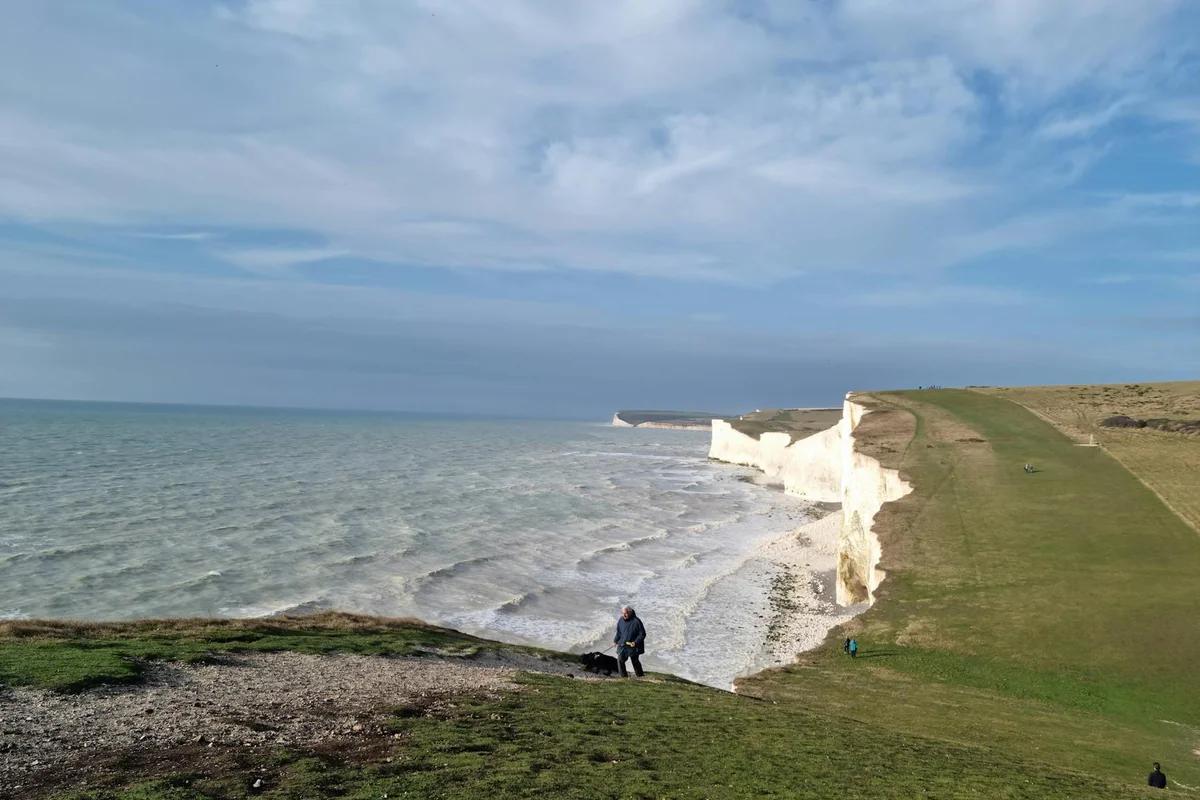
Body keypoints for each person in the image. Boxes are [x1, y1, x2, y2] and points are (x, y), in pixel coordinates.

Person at [614, 605, 646, 678]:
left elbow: (642, 634)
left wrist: (635, 642)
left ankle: (640, 676)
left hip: (633, 646)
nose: (624, 615)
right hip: (623, 644)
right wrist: (615, 640)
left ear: (630, 612)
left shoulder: (637, 621)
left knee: (635, 661)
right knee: (620, 660)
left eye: (626, 613)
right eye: (623, 613)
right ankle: (624, 677)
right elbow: (619, 632)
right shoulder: (620, 620)